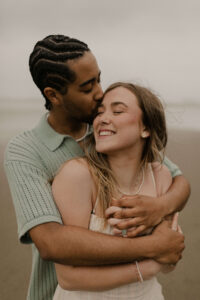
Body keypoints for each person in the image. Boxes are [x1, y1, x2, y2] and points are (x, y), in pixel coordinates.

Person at [4, 35, 188, 300]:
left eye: (99, 79)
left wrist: (159, 207)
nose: (100, 92)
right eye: (88, 87)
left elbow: (177, 180)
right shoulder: (26, 150)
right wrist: (152, 248)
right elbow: (52, 242)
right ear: (53, 95)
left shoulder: (105, 130)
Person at [51, 82, 184, 299]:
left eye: (118, 110)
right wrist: (146, 268)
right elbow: (68, 277)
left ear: (145, 128)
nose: (102, 118)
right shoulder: (77, 175)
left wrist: (166, 252)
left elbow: (169, 258)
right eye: (100, 112)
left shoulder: (160, 176)